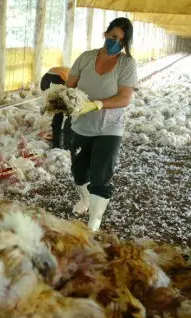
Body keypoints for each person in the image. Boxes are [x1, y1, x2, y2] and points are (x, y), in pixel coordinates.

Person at [65, 17, 138, 232]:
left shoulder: (126, 64)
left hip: (110, 128)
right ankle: (85, 199)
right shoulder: (85, 58)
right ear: (105, 34)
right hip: (81, 125)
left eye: (121, 41)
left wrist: (97, 104)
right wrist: (69, 101)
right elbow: (69, 86)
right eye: (113, 37)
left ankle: (93, 224)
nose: (116, 43)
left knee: (101, 176)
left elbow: (124, 98)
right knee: (79, 172)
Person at [40, 66, 73, 149]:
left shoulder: (70, 71)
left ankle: (56, 142)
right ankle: (63, 143)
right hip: (58, 79)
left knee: (58, 109)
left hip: (46, 77)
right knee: (64, 110)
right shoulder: (74, 74)